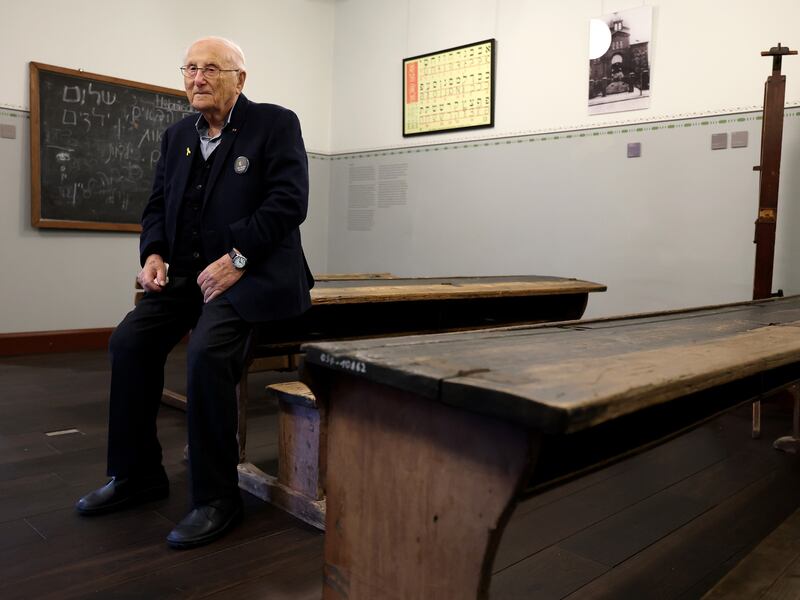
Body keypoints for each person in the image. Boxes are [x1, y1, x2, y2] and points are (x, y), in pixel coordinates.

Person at [75, 36, 314, 549]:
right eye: (190, 69)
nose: (198, 78)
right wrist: (153, 254)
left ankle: (216, 497)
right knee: (128, 343)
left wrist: (238, 259)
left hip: (254, 273)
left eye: (211, 69)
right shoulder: (177, 134)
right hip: (188, 276)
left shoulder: (275, 123)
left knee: (206, 355)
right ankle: (136, 476)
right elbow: (158, 204)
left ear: (239, 80)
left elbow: (289, 203)